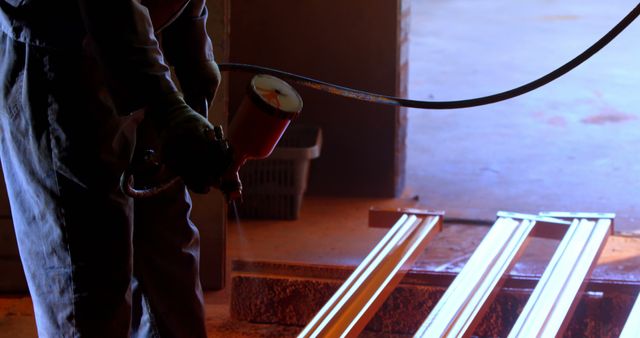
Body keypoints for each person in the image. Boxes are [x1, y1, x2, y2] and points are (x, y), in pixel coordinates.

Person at [0, 0, 228, 336]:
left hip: (141, 44)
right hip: (61, 60)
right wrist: (167, 104)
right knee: (89, 290)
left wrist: (192, 44)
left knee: (168, 271)